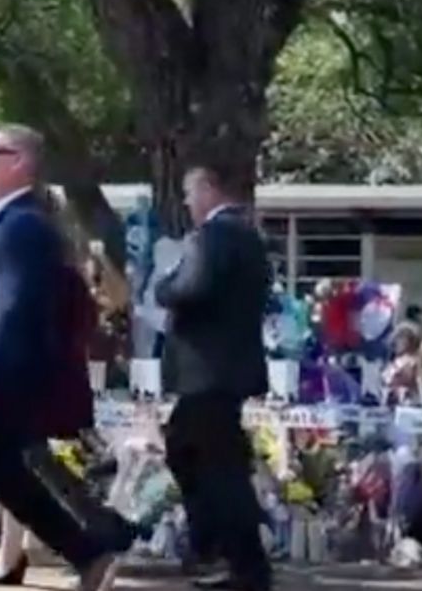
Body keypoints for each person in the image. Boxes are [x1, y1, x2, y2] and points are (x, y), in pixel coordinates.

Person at [0, 124, 124, 591]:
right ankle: (89, 553)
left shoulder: (23, 225)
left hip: (3, 377)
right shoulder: (12, 221)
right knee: (3, 476)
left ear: (18, 161)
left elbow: (14, 305)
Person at [154, 163, 272, 591]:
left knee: (216, 469)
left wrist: (163, 285)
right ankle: (221, 549)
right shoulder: (249, 237)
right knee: (193, 450)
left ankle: (234, 558)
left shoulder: (213, 237)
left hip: (208, 371)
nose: (187, 202)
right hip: (227, 370)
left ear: (208, 188)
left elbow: (189, 287)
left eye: (190, 192)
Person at [0, 200, 103, 585]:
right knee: (28, 466)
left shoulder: (46, 273)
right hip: (53, 384)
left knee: (35, 470)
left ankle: (93, 545)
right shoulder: (65, 271)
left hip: (39, 385)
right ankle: (12, 554)